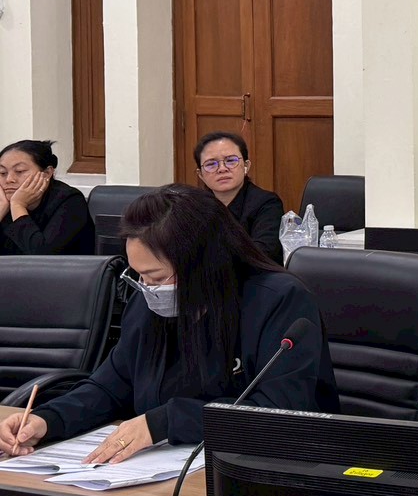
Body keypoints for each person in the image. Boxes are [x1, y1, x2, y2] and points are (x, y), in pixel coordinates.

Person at [0, 185, 338, 462]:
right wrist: (48, 419)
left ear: (204, 264)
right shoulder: (147, 303)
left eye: (157, 277)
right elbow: (110, 386)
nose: (148, 288)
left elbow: (278, 412)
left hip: (262, 465)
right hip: (161, 468)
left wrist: (163, 422)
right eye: (140, 276)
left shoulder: (279, 300)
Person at [194, 131, 286, 264]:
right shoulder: (195, 206)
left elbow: (263, 253)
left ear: (246, 166)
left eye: (231, 161)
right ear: (200, 175)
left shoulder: (267, 203)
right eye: (211, 164)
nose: (222, 169)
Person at [0, 139, 94, 255]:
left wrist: (18, 206)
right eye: (2, 173)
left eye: (19, 171)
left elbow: (43, 257)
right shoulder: (3, 201)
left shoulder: (70, 201)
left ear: (47, 173)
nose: (9, 179)